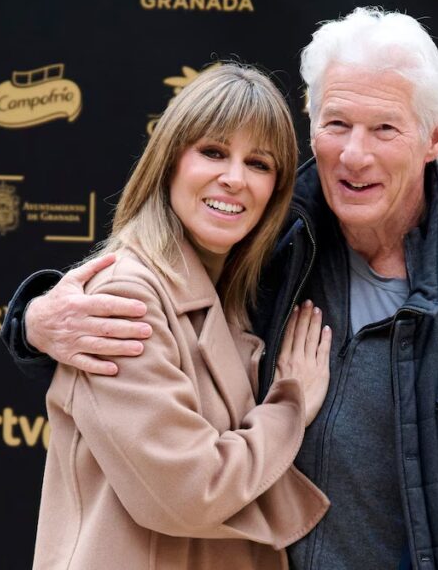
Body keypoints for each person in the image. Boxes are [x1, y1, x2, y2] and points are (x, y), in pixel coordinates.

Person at [4, 8, 438, 569]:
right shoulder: (265, 254)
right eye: (337, 123)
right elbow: (151, 288)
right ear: (312, 128)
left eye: (384, 128)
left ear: (435, 137)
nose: (355, 154)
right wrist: (33, 319)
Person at [28, 63, 333, 570]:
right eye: (213, 152)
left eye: (258, 163)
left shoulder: (229, 294)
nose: (234, 179)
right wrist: (289, 406)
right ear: (169, 162)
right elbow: (192, 492)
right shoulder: (128, 294)